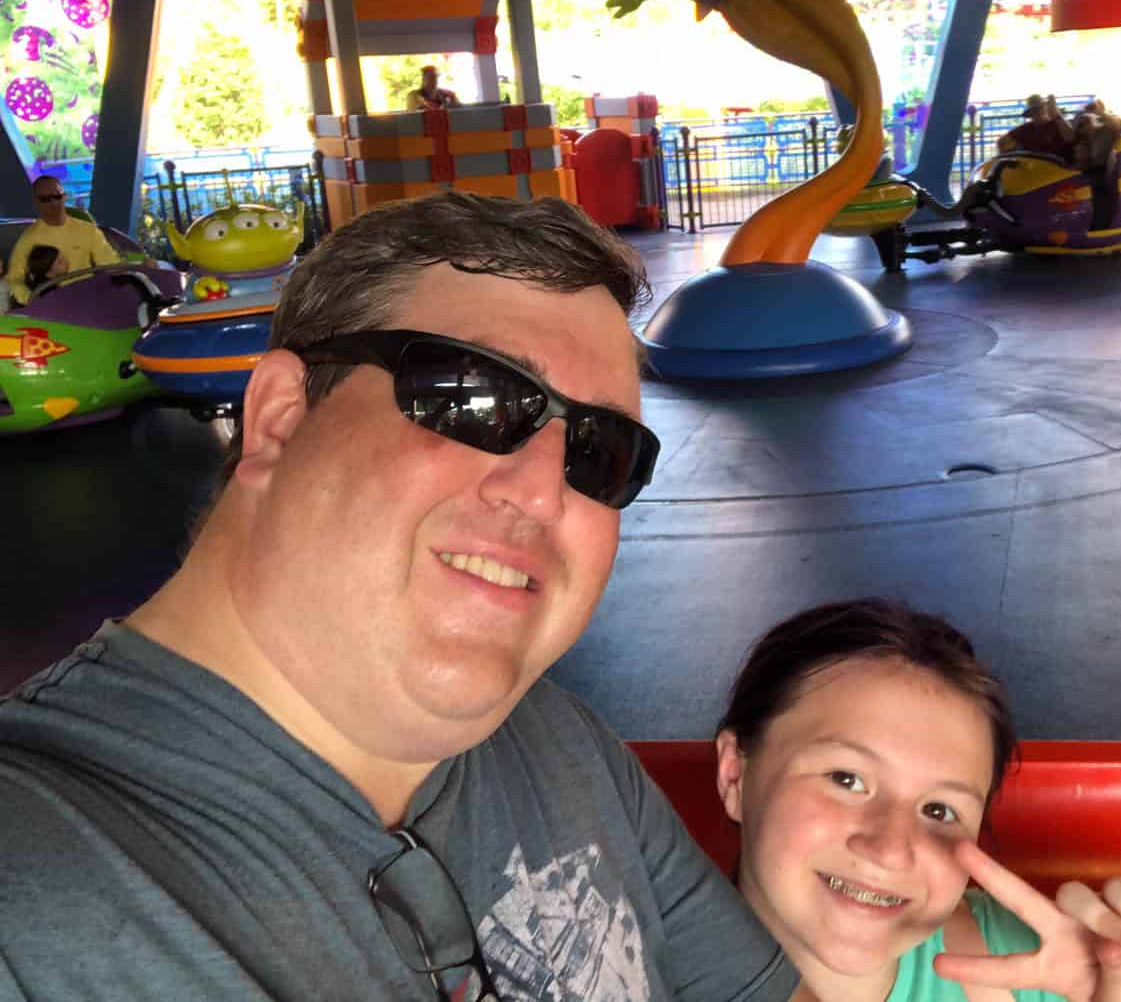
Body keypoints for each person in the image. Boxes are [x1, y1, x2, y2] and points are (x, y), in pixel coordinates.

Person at [0, 191, 800, 1001]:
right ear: (280, 419)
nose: (546, 493)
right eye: (471, 397)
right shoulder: (35, 877)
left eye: (601, 451)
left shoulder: (560, 746)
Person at [714, 599, 1121, 1002]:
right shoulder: (626, 965)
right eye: (846, 778)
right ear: (735, 772)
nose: (889, 847)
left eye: (939, 810)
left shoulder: (1022, 964)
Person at [3, 175, 119, 304]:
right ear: (36, 201)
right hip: (54, 308)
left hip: (89, 301)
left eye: (57, 196)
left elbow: (111, 264)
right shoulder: (29, 238)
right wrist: (33, 301)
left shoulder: (89, 230)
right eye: (45, 199)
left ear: (64, 197)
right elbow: (14, 278)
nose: (53, 203)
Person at [999, 94, 1074, 162]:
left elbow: (1072, 138)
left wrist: (1057, 116)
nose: (1038, 112)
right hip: (1035, 170)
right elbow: (1001, 142)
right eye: (1034, 110)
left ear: (1047, 108)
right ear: (1030, 114)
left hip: (1060, 169)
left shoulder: (1059, 124)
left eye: (1040, 108)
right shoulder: (1025, 129)